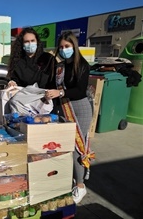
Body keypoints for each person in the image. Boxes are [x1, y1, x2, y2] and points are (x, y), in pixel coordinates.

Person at [45, 31, 95, 204]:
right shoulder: (60, 67)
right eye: (61, 47)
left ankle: (80, 186)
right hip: (63, 108)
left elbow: (79, 90)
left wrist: (59, 92)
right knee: (64, 147)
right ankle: (72, 179)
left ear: (74, 46)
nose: (64, 49)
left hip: (79, 108)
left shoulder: (81, 65)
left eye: (67, 46)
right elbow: (53, 86)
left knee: (77, 147)